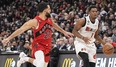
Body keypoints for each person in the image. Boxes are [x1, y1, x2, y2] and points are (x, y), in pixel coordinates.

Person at [2, 2, 73, 67]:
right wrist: (8, 38)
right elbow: (21, 29)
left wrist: (64, 32)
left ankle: (24, 58)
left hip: (47, 46)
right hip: (38, 45)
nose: (50, 11)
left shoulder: (49, 19)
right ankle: (25, 59)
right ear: (44, 11)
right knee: (40, 64)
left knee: (43, 65)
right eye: (49, 9)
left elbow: (54, 25)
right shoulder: (34, 22)